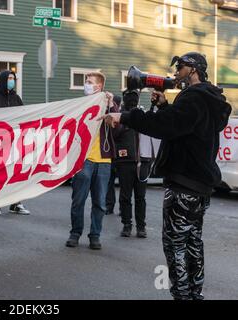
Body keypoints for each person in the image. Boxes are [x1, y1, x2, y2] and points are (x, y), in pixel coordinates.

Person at [101, 52, 232, 300]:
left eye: (180, 66)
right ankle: (195, 293)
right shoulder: (208, 99)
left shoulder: (193, 98)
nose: (176, 71)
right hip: (200, 185)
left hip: (184, 183)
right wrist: (164, 107)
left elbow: (166, 127)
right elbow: (183, 128)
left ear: (193, 70)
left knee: (174, 244)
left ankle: (182, 295)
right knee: (193, 242)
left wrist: (126, 116)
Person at [66, 71, 119, 250]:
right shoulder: (79, 104)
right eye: (86, 82)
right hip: (83, 159)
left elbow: (117, 127)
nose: (86, 85)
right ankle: (75, 233)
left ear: (99, 86)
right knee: (78, 199)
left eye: (89, 82)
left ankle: (95, 235)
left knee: (100, 202)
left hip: (103, 160)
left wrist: (111, 104)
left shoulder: (109, 105)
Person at [0, 70, 30, 216]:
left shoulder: (16, 98)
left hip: (14, 140)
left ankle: (15, 203)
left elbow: (22, 116)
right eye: (9, 78)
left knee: (15, 173)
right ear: (3, 80)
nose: (12, 80)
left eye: (13, 78)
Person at [113, 98, 154, 238]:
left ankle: (141, 226)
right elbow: (115, 134)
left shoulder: (142, 117)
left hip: (143, 162)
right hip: (125, 161)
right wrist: (125, 121)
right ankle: (127, 224)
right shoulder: (121, 118)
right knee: (125, 195)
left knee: (140, 197)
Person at [105, 95, 122, 215]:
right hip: (119, 155)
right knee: (122, 184)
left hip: (112, 154)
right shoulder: (122, 116)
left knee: (110, 183)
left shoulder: (117, 117)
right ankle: (120, 208)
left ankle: (109, 206)